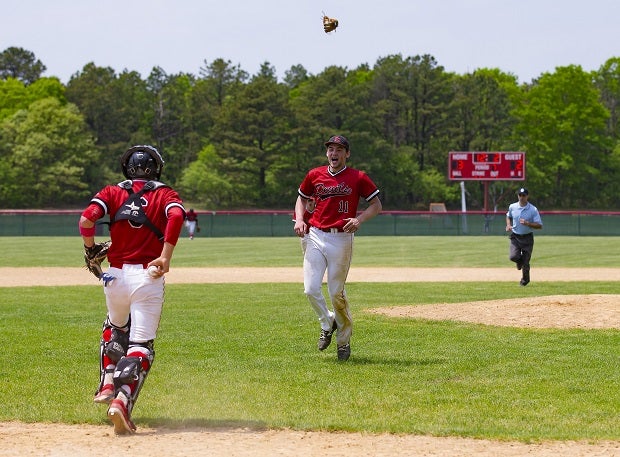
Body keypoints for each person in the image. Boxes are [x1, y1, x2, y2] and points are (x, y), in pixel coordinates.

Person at [78, 145, 185, 434]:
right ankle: (122, 403)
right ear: (157, 168)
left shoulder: (111, 192)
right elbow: (176, 216)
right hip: (148, 277)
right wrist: (165, 256)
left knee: (114, 329)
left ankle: (107, 382)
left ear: (127, 168)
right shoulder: (165, 194)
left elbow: (86, 219)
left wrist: (90, 250)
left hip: (114, 277)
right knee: (141, 347)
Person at [293, 135, 382, 361]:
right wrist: (300, 219)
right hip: (315, 235)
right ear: (327, 153)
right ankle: (327, 322)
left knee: (336, 293)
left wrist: (359, 220)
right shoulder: (315, 174)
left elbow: (376, 205)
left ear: (347, 154)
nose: (334, 153)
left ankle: (343, 341)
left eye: (339, 149)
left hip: (341, 238)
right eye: (331, 149)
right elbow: (301, 199)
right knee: (310, 289)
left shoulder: (358, 177)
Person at [505, 187, 543, 286]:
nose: (521, 197)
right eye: (520, 195)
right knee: (513, 256)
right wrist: (508, 225)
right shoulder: (512, 207)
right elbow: (508, 216)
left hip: (527, 238)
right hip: (515, 236)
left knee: (526, 262)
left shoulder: (532, 209)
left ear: (527, 196)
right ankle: (519, 262)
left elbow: (539, 225)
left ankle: (524, 281)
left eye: (523, 195)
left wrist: (528, 223)